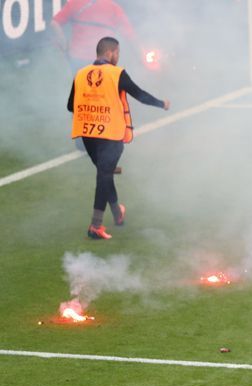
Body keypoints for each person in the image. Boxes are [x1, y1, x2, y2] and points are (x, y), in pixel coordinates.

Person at [68, 37, 169, 240]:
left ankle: (117, 213)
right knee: (104, 175)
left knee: (105, 173)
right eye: (118, 53)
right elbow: (139, 95)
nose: (118, 56)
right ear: (110, 52)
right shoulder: (117, 73)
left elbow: (71, 106)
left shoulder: (80, 74)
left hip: (87, 135)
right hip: (111, 134)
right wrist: (162, 104)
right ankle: (95, 226)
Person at [51, 0, 138, 74]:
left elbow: (54, 23)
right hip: (104, 61)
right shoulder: (112, 6)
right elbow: (130, 35)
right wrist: (141, 55)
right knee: (103, 90)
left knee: (81, 90)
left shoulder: (75, 2)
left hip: (78, 59)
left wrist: (64, 43)